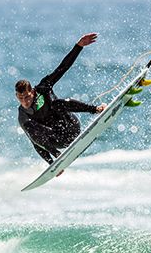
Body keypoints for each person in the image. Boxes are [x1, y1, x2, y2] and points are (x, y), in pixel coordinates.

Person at [15, 33, 107, 165]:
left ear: (33, 92)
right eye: (21, 98)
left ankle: (96, 109)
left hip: (71, 126)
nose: (25, 101)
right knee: (30, 129)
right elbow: (35, 142)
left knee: (56, 104)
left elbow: (62, 68)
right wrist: (51, 163)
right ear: (17, 97)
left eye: (27, 97)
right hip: (58, 140)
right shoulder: (23, 115)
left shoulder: (43, 87)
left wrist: (79, 46)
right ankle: (58, 156)